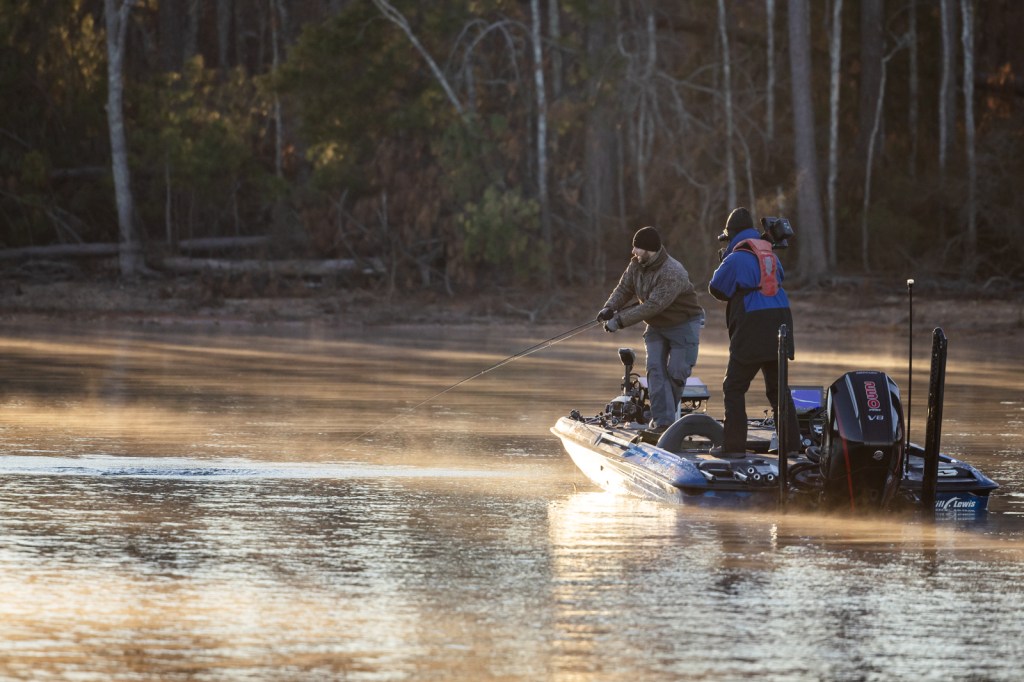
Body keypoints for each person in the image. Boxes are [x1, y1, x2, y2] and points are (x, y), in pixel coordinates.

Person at [708, 207, 800, 455]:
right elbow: (778, 278)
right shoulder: (770, 254)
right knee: (778, 389)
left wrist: (725, 261)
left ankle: (734, 447)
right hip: (781, 322)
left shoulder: (736, 258)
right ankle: (791, 447)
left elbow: (717, 288)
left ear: (731, 234)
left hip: (753, 325)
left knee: (734, 387)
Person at [597, 226, 705, 434]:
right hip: (656, 326)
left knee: (676, 373)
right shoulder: (636, 265)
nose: (633, 251)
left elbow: (652, 306)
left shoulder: (672, 272)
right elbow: (624, 289)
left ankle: (666, 418)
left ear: (649, 249)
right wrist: (609, 308)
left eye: (637, 248)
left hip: (683, 324)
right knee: (655, 370)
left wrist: (618, 321)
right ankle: (663, 424)